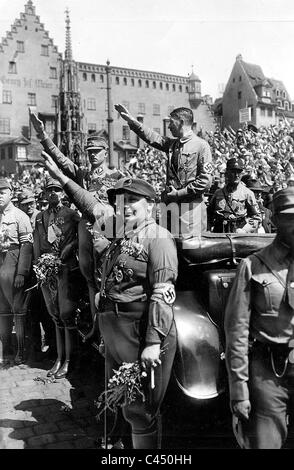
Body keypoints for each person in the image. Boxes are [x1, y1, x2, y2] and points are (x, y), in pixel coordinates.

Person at [40, 152, 178, 449]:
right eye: (120, 201)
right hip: (115, 332)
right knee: (118, 397)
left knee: (140, 409)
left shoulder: (158, 237)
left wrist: (153, 342)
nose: (124, 206)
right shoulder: (120, 234)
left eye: (132, 201)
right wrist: (63, 180)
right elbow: (89, 204)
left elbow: (162, 295)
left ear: (150, 205)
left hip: (140, 332)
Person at [30, 111, 124, 329]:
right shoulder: (82, 175)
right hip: (85, 230)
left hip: (105, 230)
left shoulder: (116, 177)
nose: (92, 155)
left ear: (105, 152)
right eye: (89, 151)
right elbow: (61, 160)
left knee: (104, 278)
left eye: (96, 152)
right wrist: (43, 135)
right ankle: (95, 325)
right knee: (89, 279)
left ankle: (108, 326)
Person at [225, 187, 294, 449]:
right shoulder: (253, 266)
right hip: (269, 372)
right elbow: (237, 332)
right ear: (273, 220)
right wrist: (239, 390)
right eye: (288, 217)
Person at [115, 103, 213, 238]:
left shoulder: (201, 146)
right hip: (170, 208)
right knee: (169, 246)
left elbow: (205, 182)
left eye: (172, 122)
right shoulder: (174, 145)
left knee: (189, 250)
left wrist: (179, 194)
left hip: (190, 212)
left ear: (182, 122)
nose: (169, 126)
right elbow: (153, 137)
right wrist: (132, 121)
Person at [33, 177, 80, 378]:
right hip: (47, 269)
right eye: (49, 190)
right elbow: (37, 242)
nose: (53, 193)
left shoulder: (71, 215)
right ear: (44, 193)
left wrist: (71, 246)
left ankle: (69, 360)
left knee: (66, 314)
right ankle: (59, 358)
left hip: (65, 268)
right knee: (54, 315)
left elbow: (83, 236)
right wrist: (39, 267)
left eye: (57, 190)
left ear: (63, 193)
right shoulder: (41, 216)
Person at [0, 178, 33, 365]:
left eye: (2, 192)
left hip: (13, 262)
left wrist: (21, 273)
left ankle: (21, 351)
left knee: (18, 310)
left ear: (11, 193)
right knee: (2, 309)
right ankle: (6, 349)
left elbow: (26, 247)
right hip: (0, 262)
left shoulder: (20, 216)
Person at [207, 158, 261, 233]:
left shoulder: (248, 194)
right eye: (233, 172)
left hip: (238, 234)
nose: (236, 175)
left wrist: (244, 230)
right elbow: (208, 214)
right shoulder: (218, 193)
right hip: (219, 234)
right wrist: (208, 229)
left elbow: (257, 218)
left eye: (239, 172)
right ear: (227, 173)